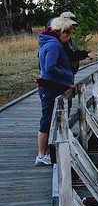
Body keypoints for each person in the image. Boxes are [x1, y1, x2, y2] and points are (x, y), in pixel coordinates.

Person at [35, 17, 76, 166]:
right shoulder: (53, 45)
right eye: (69, 34)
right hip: (50, 87)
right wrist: (67, 76)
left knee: (49, 119)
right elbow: (49, 68)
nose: (69, 38)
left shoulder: (48, 43)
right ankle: (41, 154)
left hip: (51, 86)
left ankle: (46, 151)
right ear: (62, 33)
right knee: (46, 120)